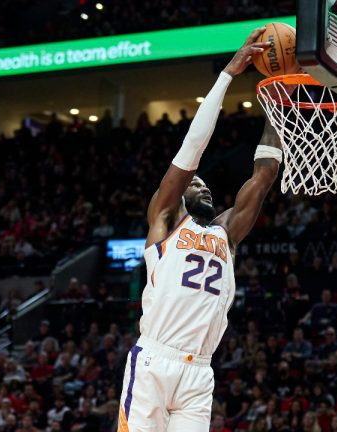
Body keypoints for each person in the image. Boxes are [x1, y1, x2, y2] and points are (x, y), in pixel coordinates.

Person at [118, 28, 282, 432]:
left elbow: (263, 177)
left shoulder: (225, 234)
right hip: (155, 361)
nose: (202, 184)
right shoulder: (166, 219)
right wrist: (227, 74)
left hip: (199, 372)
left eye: (205, 184)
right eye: (195, 183)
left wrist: (278, 105)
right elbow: (190, 153)